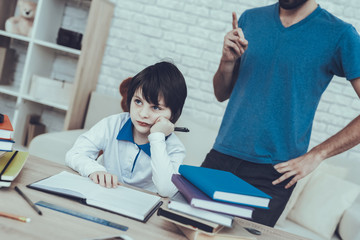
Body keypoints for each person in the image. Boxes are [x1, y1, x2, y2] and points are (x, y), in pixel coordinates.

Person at [203, 0, 360, 227]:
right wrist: (227, 61)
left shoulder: (340, 34)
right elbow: (221, 93)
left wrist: (317, 154)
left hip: (272, 175)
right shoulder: (250, 19)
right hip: (220, 157)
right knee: (184, 230)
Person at [65, 61, 187, 197]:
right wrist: (94, 170)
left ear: (173, 113)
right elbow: (74, 154)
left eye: (156, 107)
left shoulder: (175, 148)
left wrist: (157, 137)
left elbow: (167, 190)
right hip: (102, 195)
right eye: (138, 102)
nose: (143, 114)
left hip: (141, 207)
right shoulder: (113, 124)